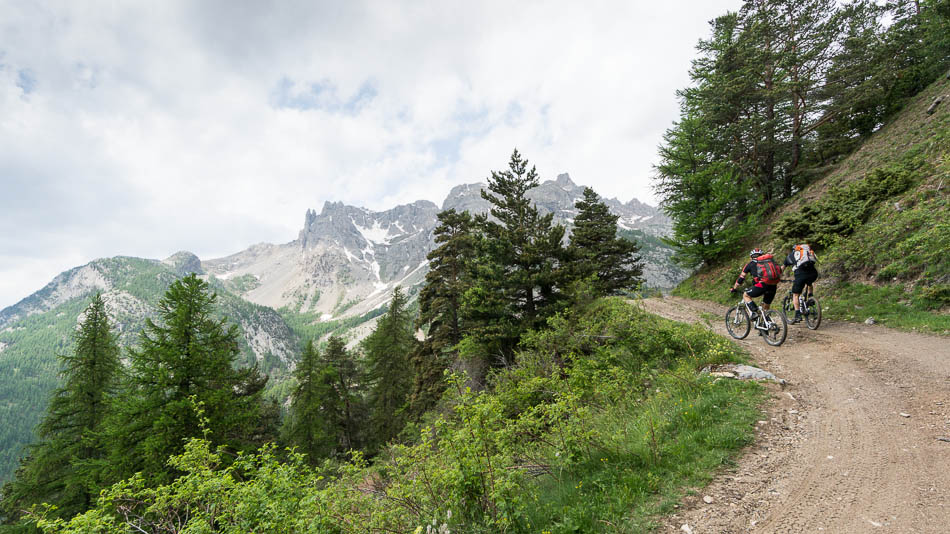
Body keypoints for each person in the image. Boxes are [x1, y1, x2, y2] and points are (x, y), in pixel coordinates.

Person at [730, 248, 782, 329]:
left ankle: (754, 312)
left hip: (761, 285)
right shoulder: (769, 262)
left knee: (746, 295)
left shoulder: (750, 264)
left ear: (751, 257)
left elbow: (741, 278)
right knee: (766, 307)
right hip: (773, 285)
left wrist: (734, 288)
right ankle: (765, 327)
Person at [784, 244, 819, 324]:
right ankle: (810, 297)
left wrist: (778, 277)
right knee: (809, 283)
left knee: (795, 294)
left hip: (800, 275)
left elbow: (783, 267)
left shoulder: (791, 255)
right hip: (813, 273)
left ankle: (797, 315)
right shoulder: (808, 253)